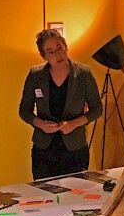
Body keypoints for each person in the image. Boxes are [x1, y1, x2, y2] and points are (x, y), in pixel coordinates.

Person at [19, 29, 103, 180]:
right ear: (43, 55)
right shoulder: (36, 75)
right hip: (43, 149)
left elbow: (97, 109)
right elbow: (24, 111)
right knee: (43, 191)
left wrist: (74, 124)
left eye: (59, 48)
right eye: (50, 52)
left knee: (76, 191)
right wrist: (41, 124)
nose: (57, 55)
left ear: (65, 46)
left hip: (75, 148)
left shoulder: (84, 74)